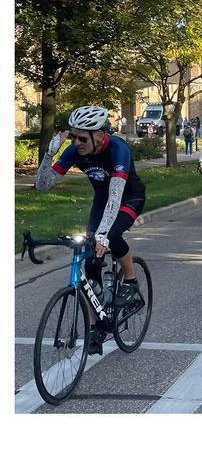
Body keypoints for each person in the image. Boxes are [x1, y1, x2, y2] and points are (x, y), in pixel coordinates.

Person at [35, 106, 146, 355]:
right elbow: (42, 186)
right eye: (74, 137)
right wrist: (49, 154)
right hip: (101, 202)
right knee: (90, 266)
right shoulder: (75, 151)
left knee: (112, 235)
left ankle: (131, 280)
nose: (77, 142)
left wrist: (104, 235)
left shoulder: (118, 149)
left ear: (99, 135)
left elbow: (116, 196)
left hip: (129, 198)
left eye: (82, 138)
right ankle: (96, 326)